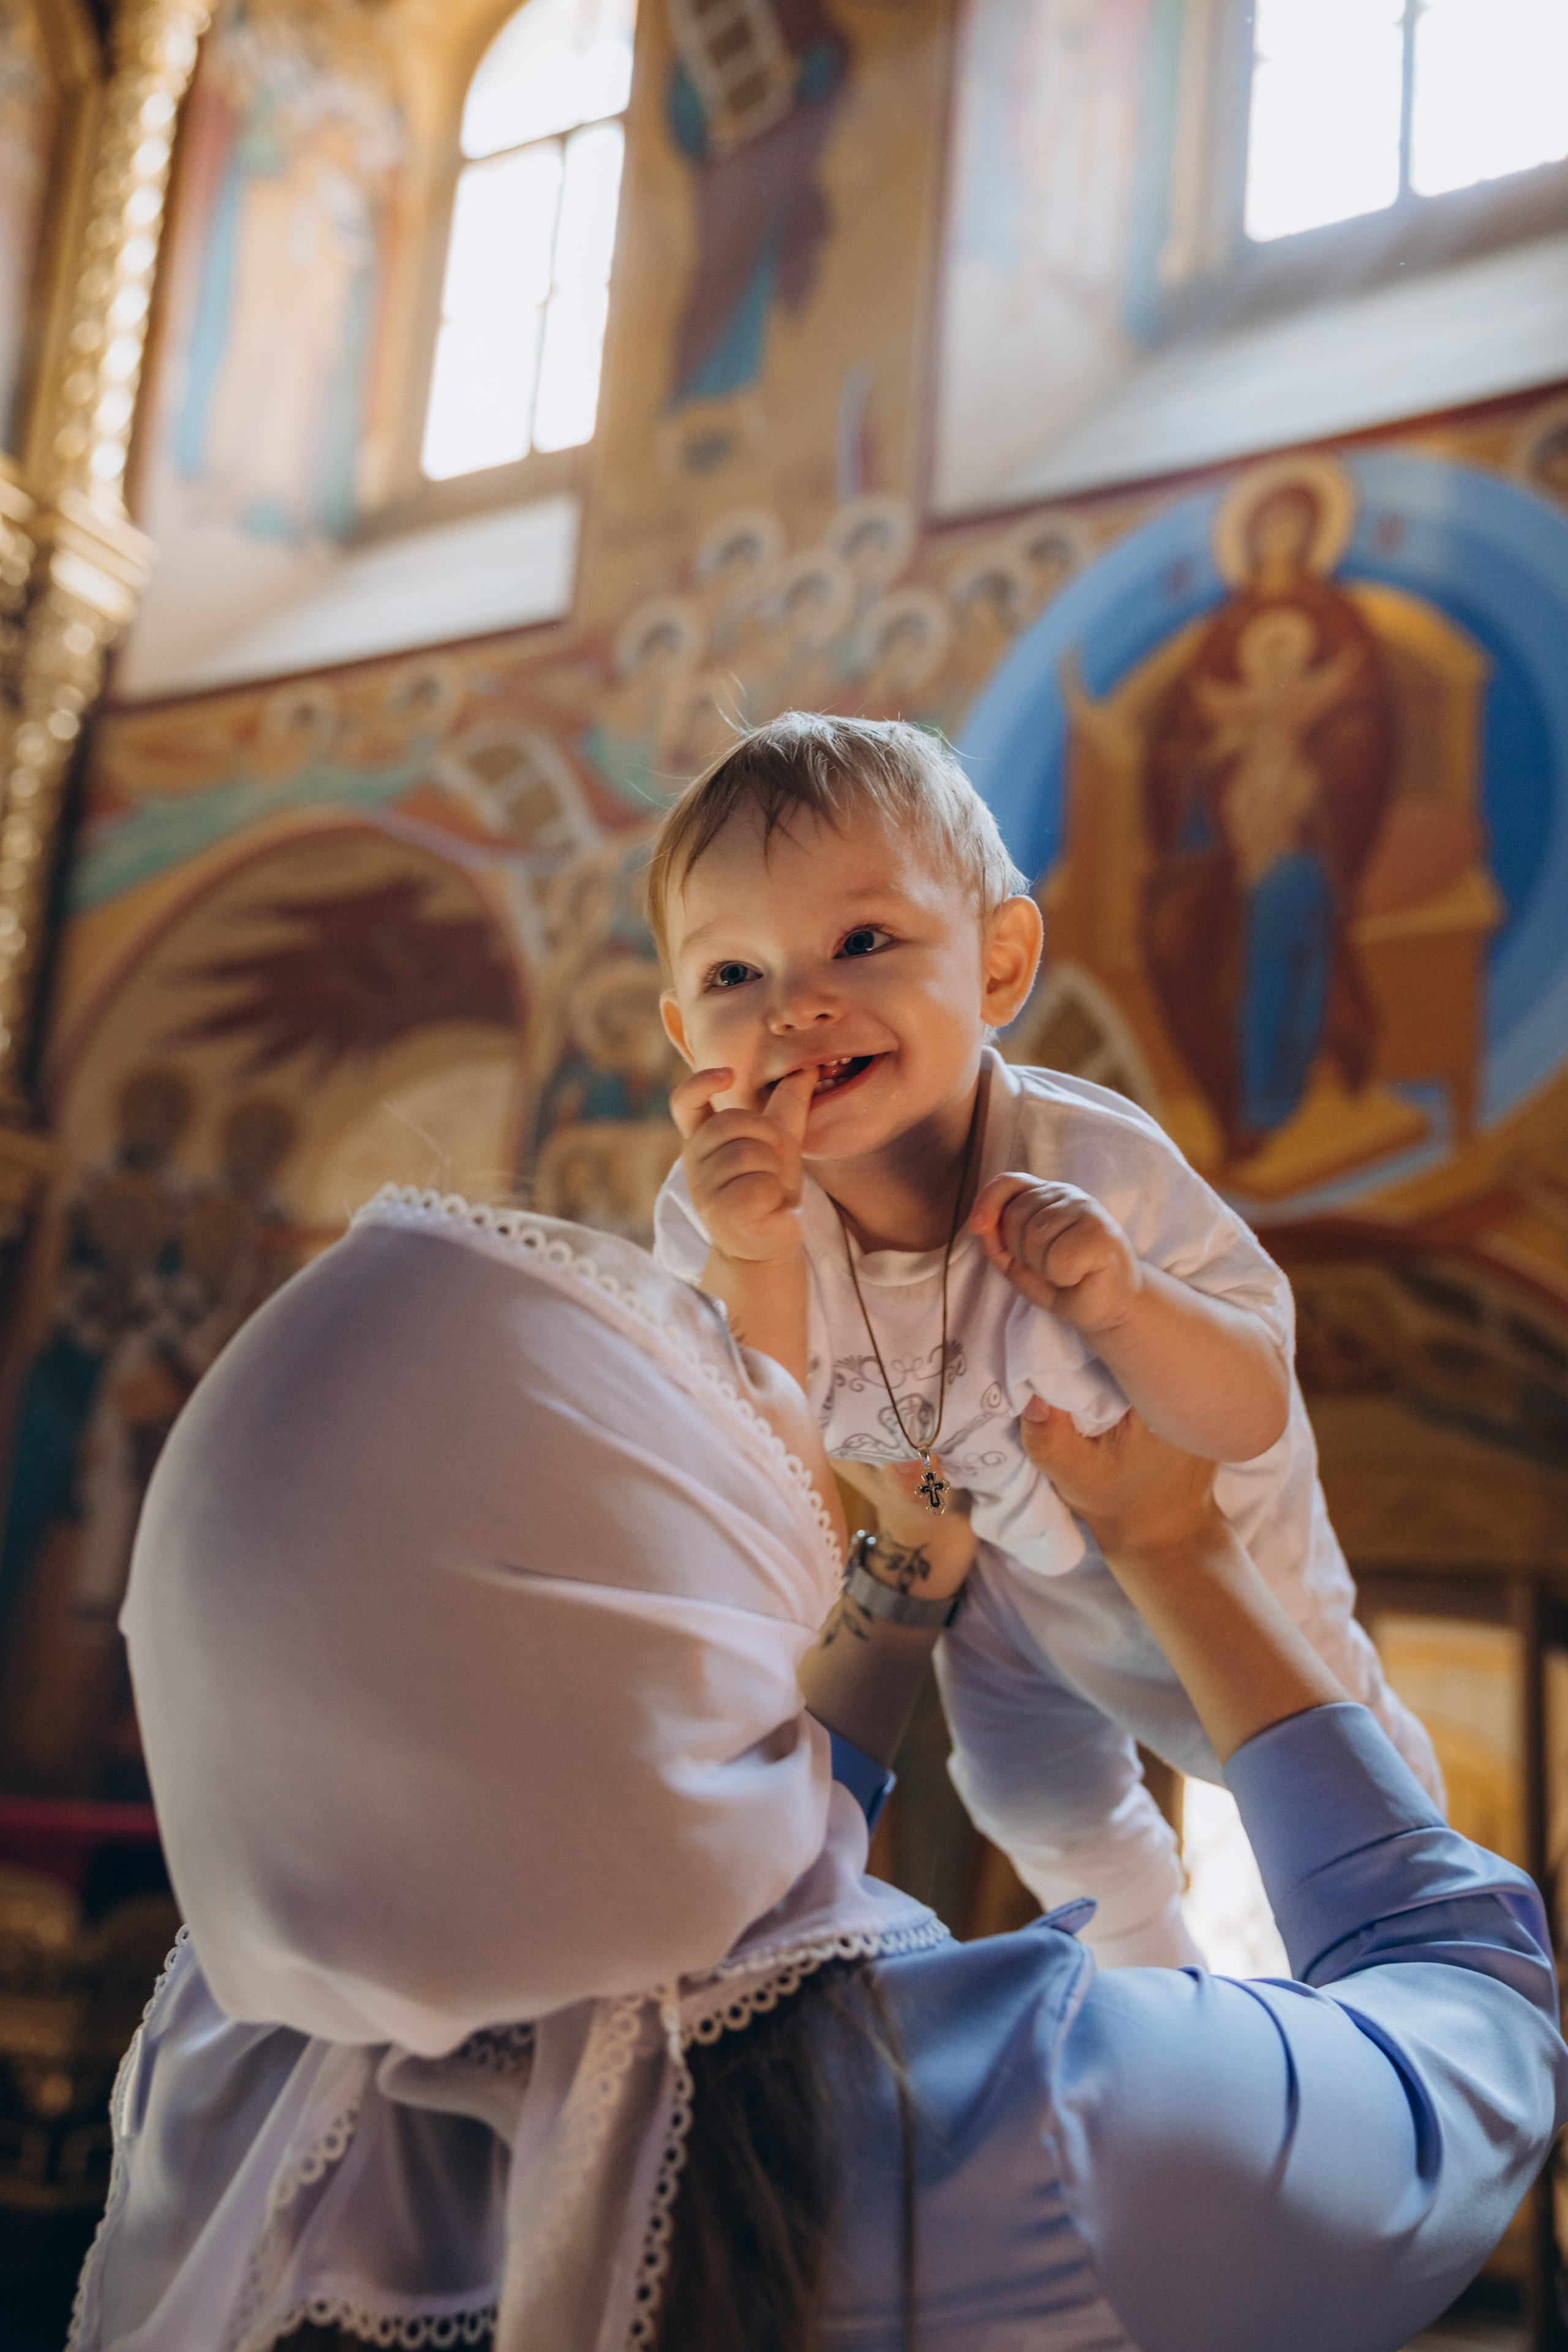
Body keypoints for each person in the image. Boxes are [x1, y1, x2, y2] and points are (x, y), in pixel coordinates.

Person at [67, 1188, 1566, 2352]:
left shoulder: (231, 2055)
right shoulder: (1030, 2121)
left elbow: (637, 1838)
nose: (775, 1368)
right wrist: (1176, 1547)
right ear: (653, 1575)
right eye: (712, 1361)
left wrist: (900, 1596)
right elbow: (1473, 2039)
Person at [646, 710, 1440, 1967]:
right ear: (689, 1040)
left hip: (1210, 1536)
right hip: (1004, 1566)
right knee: (1023, 1793)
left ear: (998, 967)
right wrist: (753, 1259)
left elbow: (1247, 1410)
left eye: (859, 942)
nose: (796, 1007)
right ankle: (1144, 1968)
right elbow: (753, 1494)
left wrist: (1123, 1303)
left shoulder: (1092, 1166)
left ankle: (1422, 1925)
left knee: (1324, 1762)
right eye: (733, 975)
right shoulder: (720, 1219)